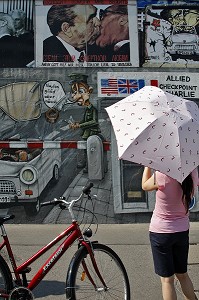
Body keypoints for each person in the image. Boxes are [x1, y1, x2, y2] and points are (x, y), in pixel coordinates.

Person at [142, 167, 198, 300]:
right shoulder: (193, 173)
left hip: (161, 232)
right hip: (182, 231)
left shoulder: (162, 175)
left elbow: (145, 185)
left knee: (167, 280)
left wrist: (147, 166)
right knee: (183, 275)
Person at [68, 73, 102, 172]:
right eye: (74, 92)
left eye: (81, 91)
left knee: (90, 151)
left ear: (89, 91)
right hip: (86, 133)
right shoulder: (87, 109)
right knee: (84, 149)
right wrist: (77, 124)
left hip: (92, 134)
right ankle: (83, 163)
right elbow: (85, 121)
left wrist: (80, 125)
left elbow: (94, 121)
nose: (77, 95)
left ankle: (88, 166)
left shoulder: (92, 109)